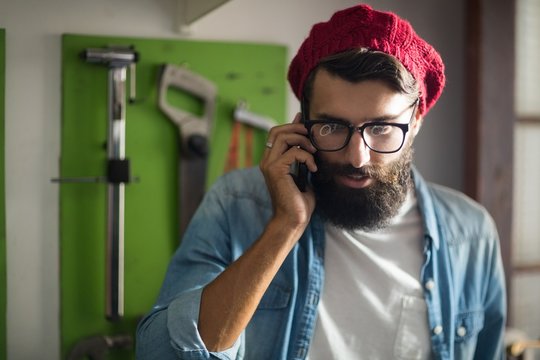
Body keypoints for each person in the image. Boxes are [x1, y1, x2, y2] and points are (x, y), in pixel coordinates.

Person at [136, 4, 506, 359]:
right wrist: (284, 228)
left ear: (417, 122)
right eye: (331, 127)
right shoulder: (236, 204)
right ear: (302, 123)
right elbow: (162, 354)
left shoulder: (470, 233)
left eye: (381, 128)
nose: (357, 157)